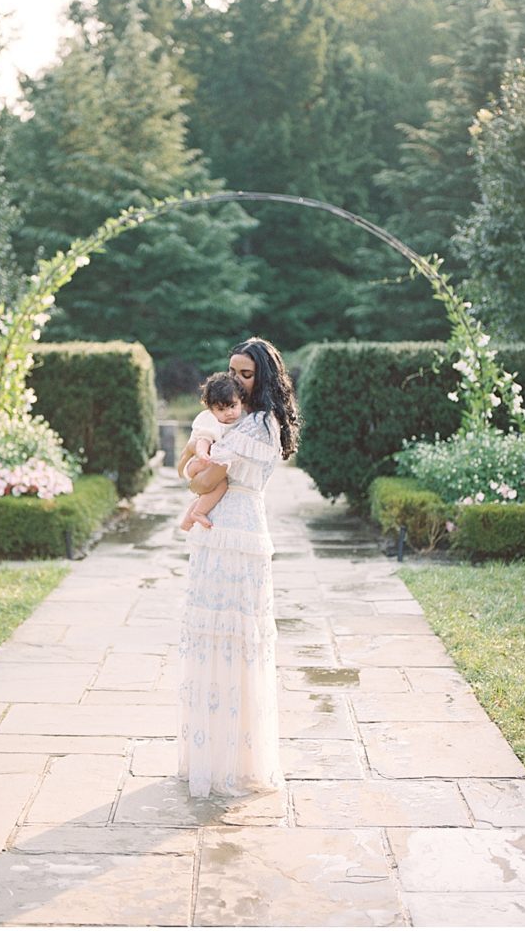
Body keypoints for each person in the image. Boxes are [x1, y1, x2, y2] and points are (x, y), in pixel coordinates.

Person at [176, 337, 301, 798]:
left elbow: (198, 478)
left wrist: (194, 467)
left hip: (237, 530)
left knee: (235, 638)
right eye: (232, 371)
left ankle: (234, 761)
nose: (237, 381)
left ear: (264, 378)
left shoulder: (258, 426)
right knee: (216, 638)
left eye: (246, 374)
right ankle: (214, 754)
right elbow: (193, 473)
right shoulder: (241, 420)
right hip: (224, 529)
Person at [179, 372, 245, 532]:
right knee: (221, 485)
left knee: (212, 490)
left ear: (240, 401)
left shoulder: (240, 420)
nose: (229, 412)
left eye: (232, 406)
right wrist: (202, 454)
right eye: (221, 409)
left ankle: (188, 520)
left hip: (205, 464)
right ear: (210, 409)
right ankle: (198, 513)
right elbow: (203, 440)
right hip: (197, 462)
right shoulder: (209, 420)